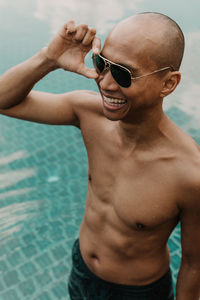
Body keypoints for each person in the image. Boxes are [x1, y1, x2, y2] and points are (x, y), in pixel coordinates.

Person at [0, 12, 200, 300]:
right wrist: (49, 58)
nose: (105, 83)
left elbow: (194, 266)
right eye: (102, 64)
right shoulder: (89, 114)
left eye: (123, 74)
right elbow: (4, 100)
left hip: (138, 292)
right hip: (82, 272)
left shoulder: (189, 173)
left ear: (168, 84)